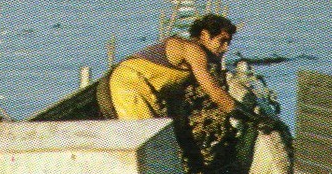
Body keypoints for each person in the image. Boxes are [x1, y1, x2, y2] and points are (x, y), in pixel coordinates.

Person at [99, 14, 241, 122]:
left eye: (229, 42)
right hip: (127, 85)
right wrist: (247, 115)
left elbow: (176, 99)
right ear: (204, 35)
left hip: (135, 86)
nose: (226, 48)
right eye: (222, 41)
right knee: (146, 135)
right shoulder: (193, 51)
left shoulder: (193, 56)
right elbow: (214, 92)